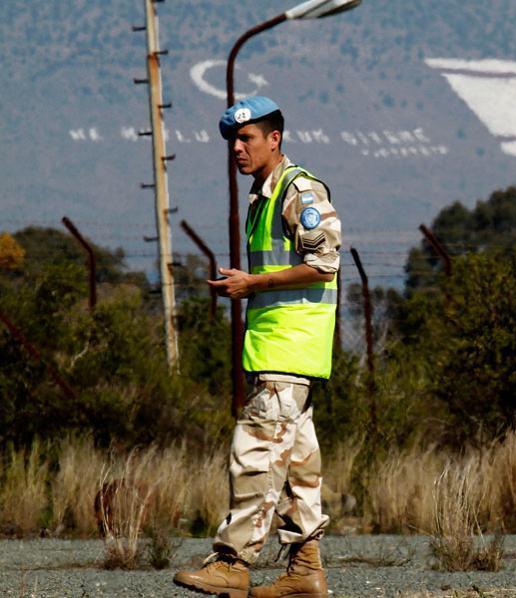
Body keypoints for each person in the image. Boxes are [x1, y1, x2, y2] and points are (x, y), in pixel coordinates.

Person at [174, 96, 341, 598]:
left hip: (289, 350)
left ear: (275, 139)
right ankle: (304, 572)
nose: (237, 148)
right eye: (233, 141)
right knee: (297, 470)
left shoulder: (298, 190)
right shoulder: (263, 196)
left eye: (247, 139)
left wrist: (253, 285)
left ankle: (232, 563)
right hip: (281, 350)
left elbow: (325, 262)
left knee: (256, 455)